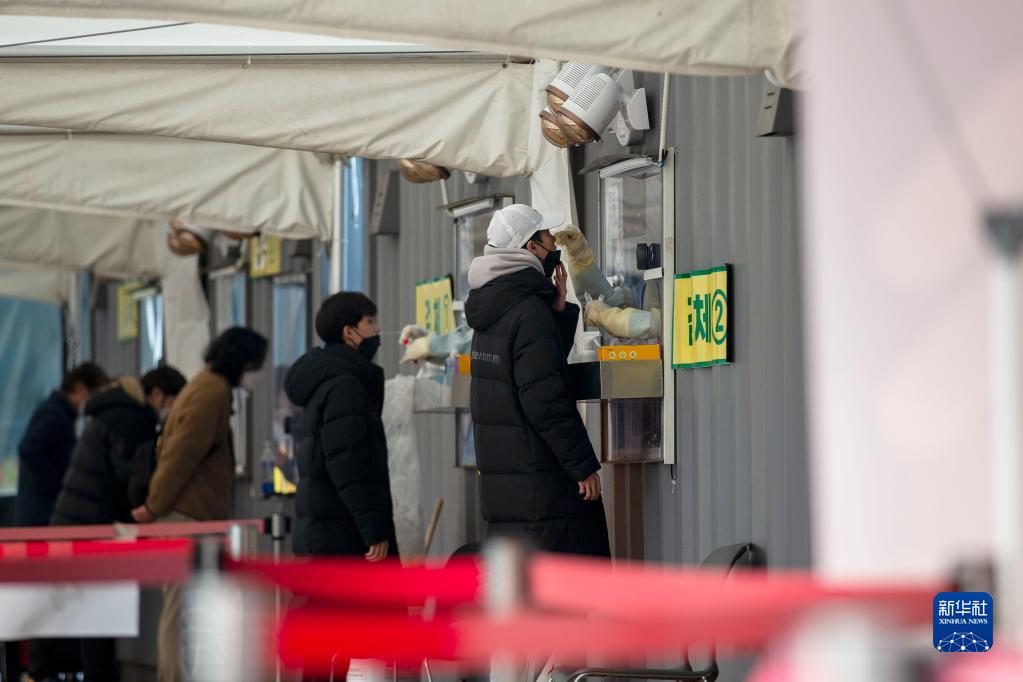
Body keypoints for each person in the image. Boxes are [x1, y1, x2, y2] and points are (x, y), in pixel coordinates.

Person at [465, 204, 610, 557]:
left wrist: (557, 313)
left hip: (508, 489)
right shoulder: (528, 312)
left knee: (522, 586)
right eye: (548, 237)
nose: (554, 244)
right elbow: (546, 400)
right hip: (544, 488)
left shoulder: (492, 310)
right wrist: (582, 466)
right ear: (531, 247)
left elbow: (532, 375)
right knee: (567, 584)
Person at [131, 327, 267, 682]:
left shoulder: (205, 385)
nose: (258, 372)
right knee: (180, 609)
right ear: (242, 362)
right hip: (187, 514)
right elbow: (182, 455)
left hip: (189, 512)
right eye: (256, 365)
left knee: (183, 606)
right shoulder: (212, 392)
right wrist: (154, 505)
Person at [49, 366, 186, 682]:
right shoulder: (130, 421)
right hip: (95, 524)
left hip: (79, 520)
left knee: (92, 613)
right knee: (98, 614)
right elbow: (131, 476)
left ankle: (90, 674)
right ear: (157, 395)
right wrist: (150, 504)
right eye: (173, 402)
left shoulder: (113, 413)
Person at [285, 292, 398, 562]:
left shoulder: (328, 379)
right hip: (343, 536)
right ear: (349, 332)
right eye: (370, 321)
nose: (378, 329)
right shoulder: (346, 387)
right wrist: (373, 529)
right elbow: (349, 464)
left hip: (327, 528)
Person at [15, 362, 109, 527]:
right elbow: (29, 449)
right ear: (80, 389)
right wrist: (58, 487)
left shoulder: (60, 413)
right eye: (94, 395)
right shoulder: (55, 415)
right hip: (42, 513)